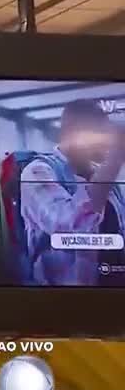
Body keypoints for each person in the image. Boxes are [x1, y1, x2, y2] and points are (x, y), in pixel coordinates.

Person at [20, 99, 125, 285]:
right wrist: (114, 162)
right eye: (98, 135)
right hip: (58, 306)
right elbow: (69, 224)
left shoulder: (106, 181)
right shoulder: (38, 172)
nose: (106, 144)